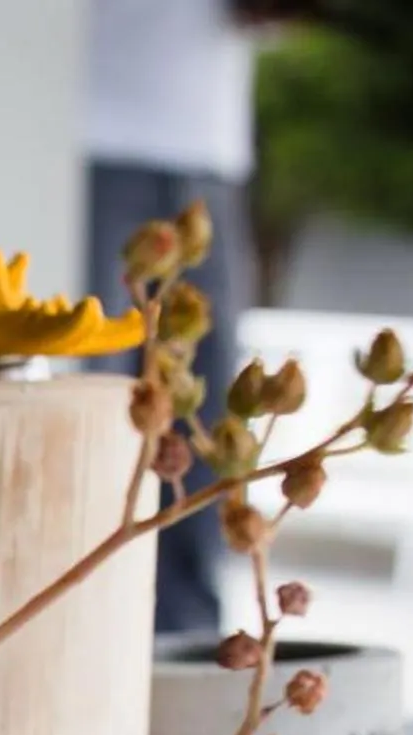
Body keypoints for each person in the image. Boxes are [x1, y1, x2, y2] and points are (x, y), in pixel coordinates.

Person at [85, 0, 265, 633]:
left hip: (203, 142)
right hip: (91, 131)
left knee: (201, 417)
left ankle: (189, 648)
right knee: (100, 406)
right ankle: (87, 631)